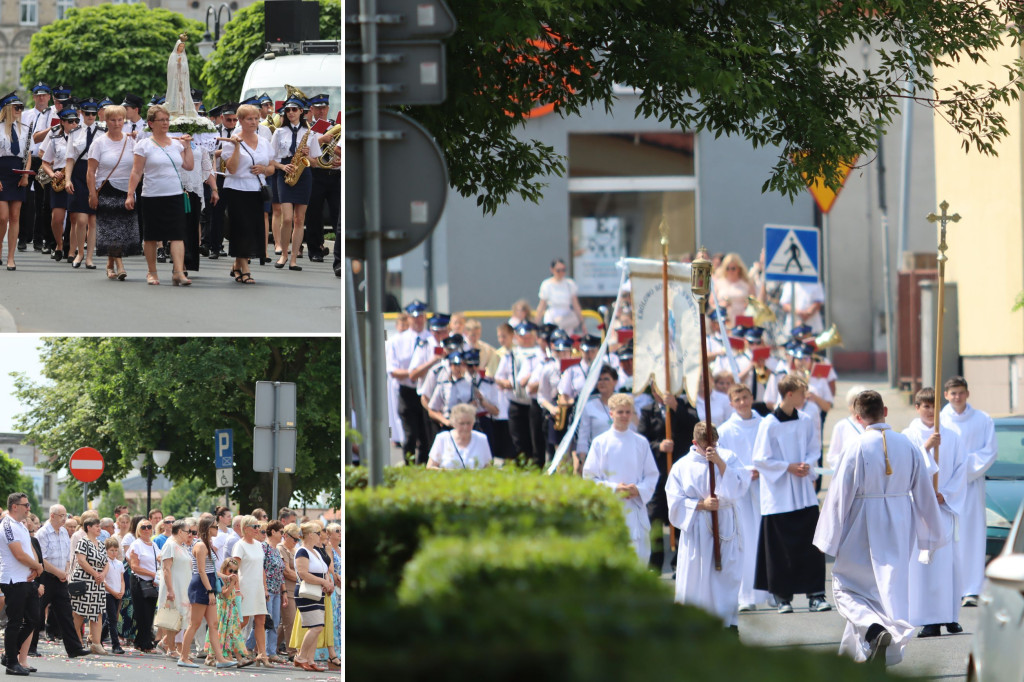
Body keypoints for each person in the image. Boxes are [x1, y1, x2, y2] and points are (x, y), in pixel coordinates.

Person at [813, 390, 947, 666]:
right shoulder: (908, 445)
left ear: (859, 417)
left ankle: (874, 631)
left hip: (863, 522)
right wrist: (930, 535)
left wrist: (829, 538)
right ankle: (865, 656)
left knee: (847, 587)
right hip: (900, 523)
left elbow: (839, 496)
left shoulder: (857, 446)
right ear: (885, 411)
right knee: (886, 590)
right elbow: (924, 491)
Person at [751, 374, 830, 613]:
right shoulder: (769, 424)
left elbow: (814, 448)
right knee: (780, 548)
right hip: (779, 495)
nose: (805, 397)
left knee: (811, 545)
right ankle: (782, 597)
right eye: (801, 393)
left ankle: (816, 594)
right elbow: (760, 458)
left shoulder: (805, 419)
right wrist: (788, 467)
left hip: (804, 492)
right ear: (788, 395)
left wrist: (806, 463)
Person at [666, 422, 750, 628]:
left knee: (727, 577)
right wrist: (700, 505)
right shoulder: (682, 466)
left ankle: (729, 625)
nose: (710, 449)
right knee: (698, 578)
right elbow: (675, 502)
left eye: (714, 444)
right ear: (695, 443)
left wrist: (720, 463)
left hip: (726, 524)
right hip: (699, 529)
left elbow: (740, 486)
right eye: (706, 446)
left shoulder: (728, 457)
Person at [902, 387, 968, 637]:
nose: (930, 411)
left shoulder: (951, 436)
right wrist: (927, 448)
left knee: (949, 563)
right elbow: (904, 466)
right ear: (917, 408)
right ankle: (929, 618)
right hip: (921, 509)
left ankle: (949, 615)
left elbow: (962, 469)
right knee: (926, 564)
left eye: (933, 406)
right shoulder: (908, 436)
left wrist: (947, 494)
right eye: (925, 406)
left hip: (944, 506)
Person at [939, 376, 997, 606]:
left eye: (961, 392)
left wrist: (964, 469)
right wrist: (952, 474)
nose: (957, 397)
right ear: (946, 395)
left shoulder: (983, 419)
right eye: (953, 393)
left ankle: (972, 588)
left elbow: (990, 451)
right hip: (947, 487)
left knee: (972, 535)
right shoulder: (939, 420)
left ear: (967, 393)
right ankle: (949, 585)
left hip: (972, 485)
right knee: (949, 534)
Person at [583, 394, 660, 564]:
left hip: (635, 508)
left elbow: (652, 474)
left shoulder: (641, 442)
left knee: (638, 559)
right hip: (611, 508)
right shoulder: (600, 443)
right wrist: (614, 488)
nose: (625, 416)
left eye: (628, 412)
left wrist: (638, 490)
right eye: (620, 412)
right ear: (611, 414)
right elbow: (589, 478)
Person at [125, 103, 195, 286]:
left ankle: (178, 272)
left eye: (167, 120)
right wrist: (130, 193)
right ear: (151, 123)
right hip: (152, 195)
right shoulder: (144, 145)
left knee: (177, 234)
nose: (165, 123)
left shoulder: (177, 144)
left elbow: (189, 166)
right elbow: (136, 171)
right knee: (151, 236)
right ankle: (152, 272)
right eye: (161, 120)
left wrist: (187, 147)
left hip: (175, 194)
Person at [716, 384, 770, 611]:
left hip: (765, 488)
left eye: (745, 398)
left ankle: (774, 592)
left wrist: (764, 469)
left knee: (767, 539)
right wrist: (746, 472)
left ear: (751, 397)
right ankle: (746, 595)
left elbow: (773, 452)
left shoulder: (765, 424)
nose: (742, 403)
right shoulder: (726, 430)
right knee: (746, 540)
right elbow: (723, 460)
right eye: (737, 400)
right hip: (740, 491)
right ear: (731, 403)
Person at [220, 103, 274, 283]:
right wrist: (236, 147)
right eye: (249, 119)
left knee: (252, 229)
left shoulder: (264, 142)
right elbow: (232, 168)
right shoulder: (233, 140)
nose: (254, 122)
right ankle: (245, 269)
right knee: (240, 228)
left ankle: (237, 265)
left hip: (256, 189)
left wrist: (265, 169)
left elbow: (273, 167)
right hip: (236, 189)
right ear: (240, 121)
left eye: (256, 118)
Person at [177, 517, 236, 669]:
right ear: (208, 528)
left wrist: (225, 577)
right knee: (195, 623)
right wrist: (210, 590)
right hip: (201, 586)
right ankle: (183, 657)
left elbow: (210, 570)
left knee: (213, 624)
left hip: (207, 583)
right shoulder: (201, 545)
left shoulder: (207, 544)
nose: (218, 529)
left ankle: (221, 659)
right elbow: (201, 571)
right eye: (215, 527)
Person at [35, 504, 91, 658]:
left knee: (66, 613)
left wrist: (65, 572)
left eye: (65, 515)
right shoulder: (43, 533)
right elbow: (42, 559)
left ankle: (74, 648)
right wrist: (59, 572)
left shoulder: (64, 533)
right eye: (61, 516)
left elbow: (68, 557)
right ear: (52, 515)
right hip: (46, 577)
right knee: (37, 611)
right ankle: (31, 647)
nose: (64, 519)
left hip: (61, 578)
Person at [271, 94, 319, 271]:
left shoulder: (310, 132)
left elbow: (315, 162)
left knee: (300, 219)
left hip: (303, 173)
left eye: (294, 109)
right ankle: (283, 254)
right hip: (285, 172)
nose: (290, 113)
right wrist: (282, 168)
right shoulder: (278, 132)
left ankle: (293, 258)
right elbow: (270, 159)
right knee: (288, 218)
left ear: (301, 111)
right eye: (288, 110)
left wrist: (307, 155)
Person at [0, 493, 44, 676]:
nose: (29, 508)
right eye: (25, 505)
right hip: (13, 580)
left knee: (34, 619)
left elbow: (30, 549)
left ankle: (9, 653)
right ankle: (12, 662)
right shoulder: (7, 525)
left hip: (27, 579)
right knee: (15, 621)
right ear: (14, 506)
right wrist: (38, 566)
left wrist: (36, 567)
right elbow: (18, 554)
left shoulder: (22, 525)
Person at [494, 321, 545, 466]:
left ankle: (536, 467)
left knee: (536, 439)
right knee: (518, 439)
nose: (526, 339)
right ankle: (522, 466)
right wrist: (505, 383)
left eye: (529, 335)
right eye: (523, 336)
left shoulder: (539, 353)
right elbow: (499, 376)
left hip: (534, 402)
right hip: (516, 401)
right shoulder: (511, 354)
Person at [63, 98, 103, 269]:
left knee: (92, 220)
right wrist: (67, 179)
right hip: (79, 173)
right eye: (87, 113)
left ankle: (89, 257)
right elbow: (70, 159)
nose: (91, 116)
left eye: (94, 113)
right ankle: (79, 252)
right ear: (81, 113)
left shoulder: (103, 132)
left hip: (96, 174)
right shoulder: (74, 133)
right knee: (81, 219)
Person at [290, 522, 333, 672]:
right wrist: (323, 581)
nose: (320, 535)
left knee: (317, 627)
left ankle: (309, 659)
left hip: (318, 592)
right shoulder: (302, 551)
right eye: (317, 532)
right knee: (316, 627)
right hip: (307, 592)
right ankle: (300, 657)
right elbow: (303, 573)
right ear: (310, 535)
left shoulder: (314, 551)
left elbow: (324, 570)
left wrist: (327, 583)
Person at [231, 515, 271, 666]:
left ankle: (263, 655)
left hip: (258, 587)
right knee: (243, 621)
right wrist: (237, 590)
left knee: (261, 620)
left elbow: (261, 568)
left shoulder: (258, 545)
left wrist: (265, 588)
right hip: (245, 586)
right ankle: (228, 647)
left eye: (258, 527)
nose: (258, 530)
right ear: (245, 528)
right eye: (255, 527)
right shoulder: (239, 545)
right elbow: (233, 570)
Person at [21, 82, 55, 254]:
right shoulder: (26, 115)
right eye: (38, 95)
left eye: (44, 95)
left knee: (43, 202)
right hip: (29, 157)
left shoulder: (55, 113)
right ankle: (22, 237)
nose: (41, 98)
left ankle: (39, 239)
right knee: (24, 199)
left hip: (47, 159)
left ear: (49, 96)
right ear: (34, 97)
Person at [38, 107, 75, 262]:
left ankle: (72, 250)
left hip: (75, 178)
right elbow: (45, 162)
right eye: (70, 121)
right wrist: (53, 174)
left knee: (75, 217)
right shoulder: (55, 140)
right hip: (59, 178)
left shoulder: (81, 139)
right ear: (62, 123)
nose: (74, 124)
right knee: (57, 218)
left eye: (76, 121)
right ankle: (59, 244)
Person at [69, 516, 108, 654]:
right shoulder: (83, 542)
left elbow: (106, 562)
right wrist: (95, 574)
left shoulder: (101, 544)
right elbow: (81, 561)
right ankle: (74, 641)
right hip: (84, 580)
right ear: (88, 527)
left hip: (97, 583)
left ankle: (96, 643)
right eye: (96, 526)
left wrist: (102, 574)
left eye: (100, 526)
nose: (99, 528)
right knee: (79, 612)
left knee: (97, 612)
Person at [249, 521, 287, 663]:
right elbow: (261, 568)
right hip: (267, 590)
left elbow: (280, 573)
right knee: (265, 621)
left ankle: (267, 650)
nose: (283, 535)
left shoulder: (276, 550)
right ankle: (265, 650)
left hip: (277, 590)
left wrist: (283, 592)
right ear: (273, 532)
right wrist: (264, 588)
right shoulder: (263, 547)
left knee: (274, 622)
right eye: (281, 532)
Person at [574, 365, 622, 475]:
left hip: (621, 455)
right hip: (598, 457)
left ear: (615, 381)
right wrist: (582, 460)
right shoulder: (589, 406)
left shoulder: (624, 405)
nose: (602, 382)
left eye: (606, 379)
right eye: (599, 379)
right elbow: (583, 436)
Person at [0, 93, 29, 271]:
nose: (19, 111)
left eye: (21, 108)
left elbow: (28, 154)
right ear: (7, 109)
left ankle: (11, 257)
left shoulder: (25, 129)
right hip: (2, 171)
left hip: (18, 172)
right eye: (16, 107)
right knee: (2, 217)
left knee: (15, 217)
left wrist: (26, 175)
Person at [156, 520, 192, 657]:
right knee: (173, 619)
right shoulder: (170, 545)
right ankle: (170, 648)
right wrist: (170, 590)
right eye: (188, 531)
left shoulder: (181, 546)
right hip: (174, 587)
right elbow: (166, 568)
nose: (190, 534)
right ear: (181, 532)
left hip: (183, 587)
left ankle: (165, 643)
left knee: (182, 619)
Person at [425, 403, 493, 470]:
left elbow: (488, 468)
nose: (465, 427)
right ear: (453, 423)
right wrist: (446, 472)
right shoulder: (442, 438)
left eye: (468, 423)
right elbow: (430, 467)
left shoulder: (482, 439)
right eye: (462, 423)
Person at [126, 518, 159, 653]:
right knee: (143, 613)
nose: (146, 530)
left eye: (149, 527)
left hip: (152, 582)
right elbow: (134, 566)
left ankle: (140, 641)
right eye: (143, 527)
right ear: (138, 531)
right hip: (140, 581)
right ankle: (146, 644)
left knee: (150, 613)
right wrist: (152, 574)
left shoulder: (154, 545)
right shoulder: (136, 544)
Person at [214, 556, 250, 666]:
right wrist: (232, 583)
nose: (233, 573)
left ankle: (239, 658)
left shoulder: (232, 580)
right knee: (224, 634)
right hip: (223, 612)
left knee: (234, 633)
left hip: (231, 611)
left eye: (235, 571)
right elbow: (225, 593)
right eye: (231, 570)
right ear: (224, 570)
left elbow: (234, 593)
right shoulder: (223, 579)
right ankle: (217, 656)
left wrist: (238, 592)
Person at [535, 258, 584, 332]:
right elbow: (542, 306)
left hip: (566, 316)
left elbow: (576, 305)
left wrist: (582, 323)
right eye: (558, 270)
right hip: (552, 316)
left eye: (563, 270)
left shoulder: (569, 284)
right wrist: (536, 323)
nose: (561, 273)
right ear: (552, 270)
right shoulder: (546, 284)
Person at [826, 385, 868, 470]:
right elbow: (832, 456)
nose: (857, 406)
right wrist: (848, 462)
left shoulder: (871, 424)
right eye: (853, 402)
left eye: (860, 402)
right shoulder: (841, 426)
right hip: (847, 473)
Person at [276, 523, 300, 660]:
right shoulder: (281, 549)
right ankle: (292, 652)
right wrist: (302, 577)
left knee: (288, 620)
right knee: (290, 620)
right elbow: (286, 571)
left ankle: (274, 646)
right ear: (286, 535)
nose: (296, 542)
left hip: (296, 588)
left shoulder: (295, 550)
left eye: (298, 539)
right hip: (286, 589)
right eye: (294, 539)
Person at [712, 253, 754, 323]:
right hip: (723, 321)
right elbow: (712, 303)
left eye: (733, 268)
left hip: (742, 321)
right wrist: (721, 305)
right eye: (727, 268)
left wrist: (747, 309)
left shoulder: (746, 284)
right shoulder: (719, 283)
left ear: (739, 269)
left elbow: (753, 303)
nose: (730, 271)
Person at [102, 537, 125, 655]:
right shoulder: (104, 562)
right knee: (112, 619)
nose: (114, 553)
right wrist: (113, 592)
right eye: (111, 550)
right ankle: (115, 645)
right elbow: (104, 581)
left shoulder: (119, 563)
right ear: (106, 550)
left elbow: (121, 579)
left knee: (110, 619)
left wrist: (122, 591)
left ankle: (98, 639)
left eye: (116, 550)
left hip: (117, 593)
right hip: (108, 594)